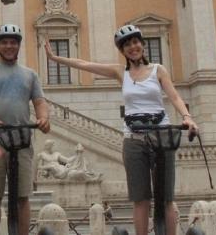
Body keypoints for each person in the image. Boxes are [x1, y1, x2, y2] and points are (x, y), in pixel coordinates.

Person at [44, 24, 198, 235]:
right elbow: (85, 64)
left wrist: (187, 117)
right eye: (127, 45)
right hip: (133, 139)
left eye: (135, 42)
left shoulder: (158, 70)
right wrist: (56, 59)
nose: (133, 47)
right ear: (123, 50)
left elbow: (175, 96)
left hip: (161, 134)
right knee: (140, 198)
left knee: (167, 198)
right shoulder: (120, 72)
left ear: (142, 45)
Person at [0, 24, 50, 235]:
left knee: (23, 196)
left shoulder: (30, 74)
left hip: (21, 141)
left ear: (18, 46)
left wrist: (43, 118)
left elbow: (40, 101)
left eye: (13, 42)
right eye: (4, 42)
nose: (9, 46)